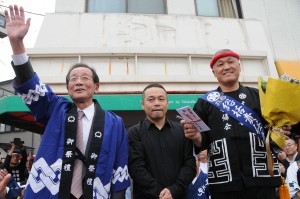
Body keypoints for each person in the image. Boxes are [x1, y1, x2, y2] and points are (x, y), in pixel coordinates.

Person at [5, 5, 130, 199]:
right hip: (49, 192)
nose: (78, 81)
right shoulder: (55, 108)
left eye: (85, 78)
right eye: (73, 78)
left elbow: (119, 168)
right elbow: (32, 86)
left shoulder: (115, 123)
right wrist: (17, 44)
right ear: (68, 88)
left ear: (96, 87)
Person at [182, 49, 292, 199]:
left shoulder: (260, 96)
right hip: (224, 181)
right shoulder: (204, 103)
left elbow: (274, 131)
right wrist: (196, 136)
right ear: (214, 73)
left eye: (230, 62)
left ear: (239, 66)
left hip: (261, 176)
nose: (226, 67)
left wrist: (281, 131)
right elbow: (203, 141)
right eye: (220, 64)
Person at [128, 83, 196, 199]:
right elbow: (136, 169)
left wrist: (173, 191)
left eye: (161, 99)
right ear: (143, 104)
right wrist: (161, 193)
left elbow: (190, 165)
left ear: (167, 103)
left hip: (178, 195)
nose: (157, 103)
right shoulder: (134, 132)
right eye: (151, 99)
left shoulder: (182, 131)